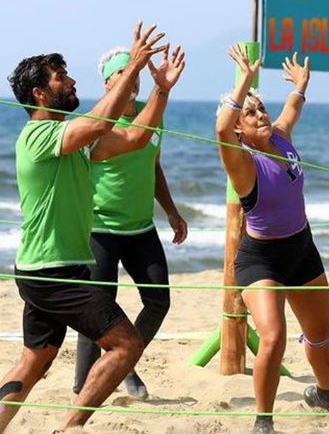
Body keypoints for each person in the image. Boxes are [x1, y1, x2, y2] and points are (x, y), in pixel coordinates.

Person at [0, 22, 185, 434]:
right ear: (40, 93)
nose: (72, 81)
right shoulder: (39, 136)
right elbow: (97, 123)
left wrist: (161, 90)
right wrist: (134, 68)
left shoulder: (73, 140)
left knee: (33, 361)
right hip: (54, 271)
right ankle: (69, 427)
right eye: (62, 77)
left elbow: (132, 138)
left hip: (47, 269)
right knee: (126, 344)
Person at [214, 44, 329, 434]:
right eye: (251, 112)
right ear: (240, 126)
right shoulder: (240, 159)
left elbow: (291, 110)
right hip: (261, 259)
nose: (260, 114)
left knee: (320, 333)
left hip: (302, 249)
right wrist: (243, 84)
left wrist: (301, 87)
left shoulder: (281, 137)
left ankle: (326, 394)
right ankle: (263, 420)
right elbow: (222, 127)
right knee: (273, 336)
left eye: (261, 108)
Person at [73, 46, 188, 399]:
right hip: (101, 230)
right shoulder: (97, 122)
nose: (132, 81)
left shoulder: (153, 114)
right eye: (124, 75)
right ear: (108, 82)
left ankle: (123, 362)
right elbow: (134, 138)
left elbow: (153, 165)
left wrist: (170, 209)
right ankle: (83, 387)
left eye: (135, 75)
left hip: (141, 229)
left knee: (158, 303)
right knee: (97, 313)